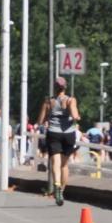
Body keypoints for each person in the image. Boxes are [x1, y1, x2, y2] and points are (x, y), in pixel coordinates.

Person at [37, 77, 80, 206]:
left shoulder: (48, 101)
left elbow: (40, 121)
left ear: (55, 88)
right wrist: (77, 116)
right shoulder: (71, 100)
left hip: (53, 133)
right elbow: (75, 116)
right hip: (68, 134)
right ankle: (61, 190)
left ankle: (56, 185)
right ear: (65, 87)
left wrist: (46, 115)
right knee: (64, 165)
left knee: (55, 162)